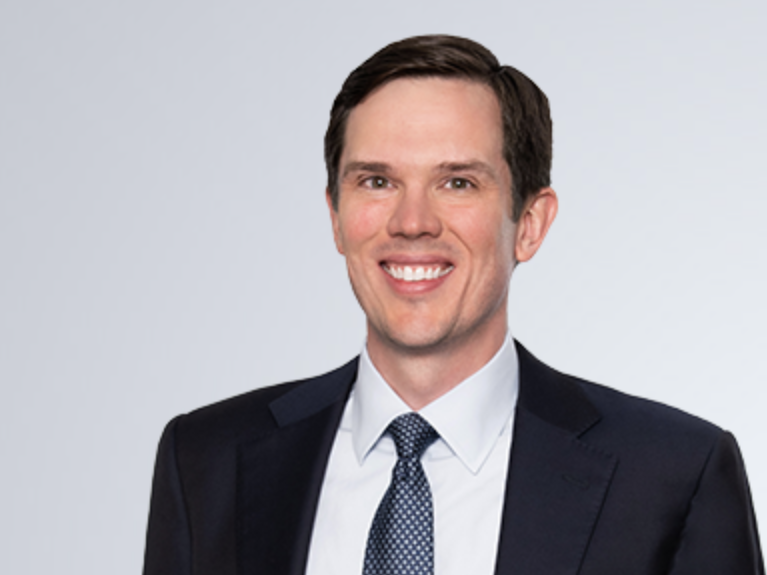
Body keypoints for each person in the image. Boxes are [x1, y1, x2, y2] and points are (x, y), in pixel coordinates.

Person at [142, 35, 764, 575]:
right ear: (336, 217)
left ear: (529, 223)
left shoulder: (672, 476)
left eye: (457, 182)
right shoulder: (207, 460)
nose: (412, 222)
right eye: (377, 181)